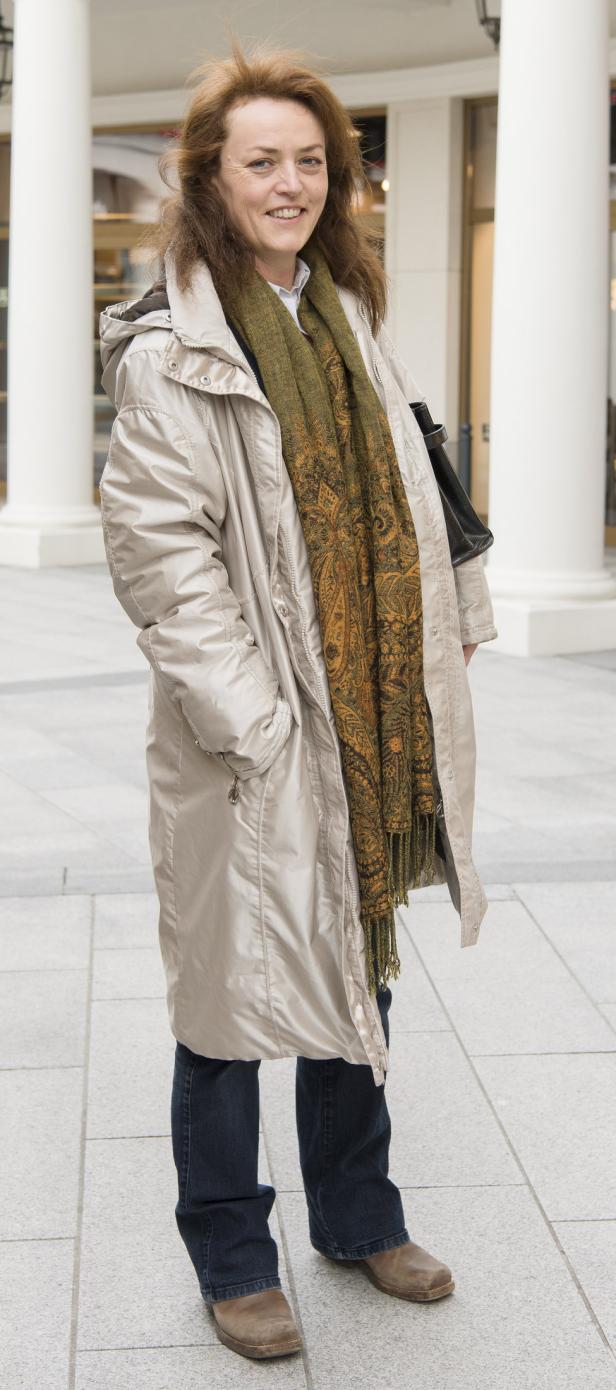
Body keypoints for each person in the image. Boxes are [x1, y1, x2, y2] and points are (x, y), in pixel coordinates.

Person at [98, 43, 497, 1363]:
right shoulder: (175, 357)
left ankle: (358, 1215)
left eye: (312, 160)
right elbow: (165, 561)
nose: (292, 182)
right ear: (212, 178)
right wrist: (257, 720)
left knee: (356, 980)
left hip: (364, 724)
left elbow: (408, 498)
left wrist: (449, 636)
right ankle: (229, 1249)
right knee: (226, 1003)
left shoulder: (347, 318)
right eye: (262, 160)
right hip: (251, 744)